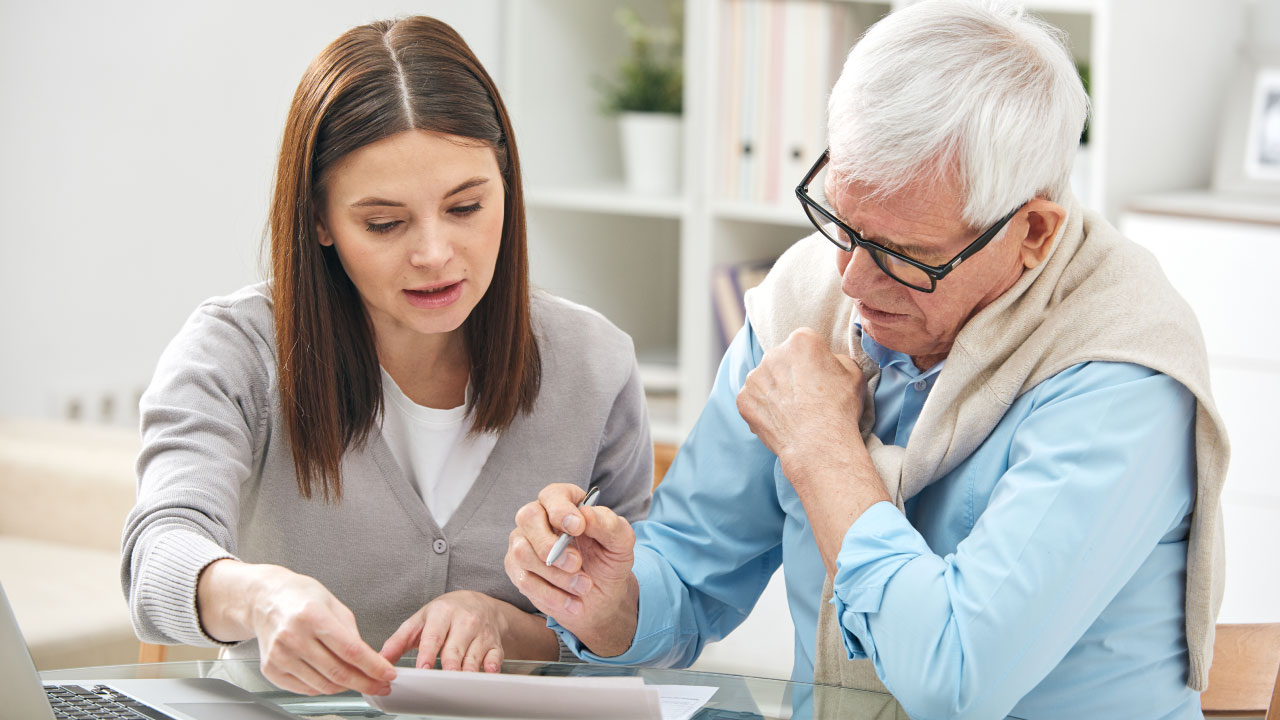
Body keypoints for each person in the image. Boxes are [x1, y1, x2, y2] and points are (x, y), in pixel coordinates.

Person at [504, 1, 1229, 718]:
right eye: (843, 226)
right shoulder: (804, 302)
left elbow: (955, 680)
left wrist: (824, 450)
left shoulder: (1121, 374)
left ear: (1033, 231)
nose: (852, 281)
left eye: (904, 255)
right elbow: (690, 577)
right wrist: (610, 600)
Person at [121, 16, 653, 698]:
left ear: (507, 186)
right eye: (384, 223)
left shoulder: (595, 365)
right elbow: (157, 556)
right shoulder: (235, 354)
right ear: (319, 220)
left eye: (466, 207)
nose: (433, 253)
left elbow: (632, 625)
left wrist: (508, 626)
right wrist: (259, 598)